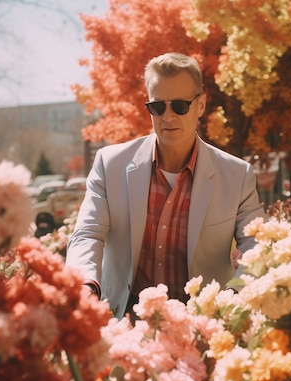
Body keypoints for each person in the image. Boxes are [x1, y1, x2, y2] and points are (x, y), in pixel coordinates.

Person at [65, 52, 266, 317]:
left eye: (180, 106)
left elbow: (257, 244)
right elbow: (88, 234)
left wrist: (234, 301)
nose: (168, 117)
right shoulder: (109, 164)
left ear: (201, 105)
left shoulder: (236, 175)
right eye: (158, 107)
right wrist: (84, 287)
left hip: (204, 320)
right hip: (125, 315)